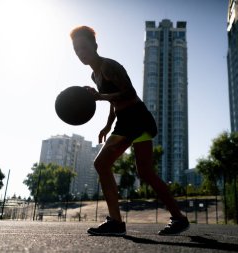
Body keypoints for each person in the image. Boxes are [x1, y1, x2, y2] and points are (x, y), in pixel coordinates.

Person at [70, 26, 189, 236]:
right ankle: (179, 218)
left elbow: (129, 93)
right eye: (76, 49)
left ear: (95, 45)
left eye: (83, 47)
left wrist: (100, 96)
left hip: (136, 117)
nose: (80, 52)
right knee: (145, 173)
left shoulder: (108, 66)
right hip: (128, 119)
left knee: (101, 163)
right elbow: (114, 102)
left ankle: (116, 222)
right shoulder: (94, 75)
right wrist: (108, 124)